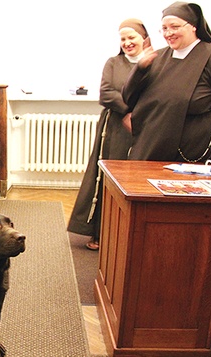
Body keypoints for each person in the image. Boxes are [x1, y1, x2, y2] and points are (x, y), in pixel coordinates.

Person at [122, 2, 211, 162]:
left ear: (193, 26)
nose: (168, 33)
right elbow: (128, 98)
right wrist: (140, 69)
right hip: (154, 148)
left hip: (195, 154)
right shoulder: (157, 58)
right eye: (164, 28)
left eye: (174, 26)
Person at [67, 19, 149, 251]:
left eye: (131, 37)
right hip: (115, 127)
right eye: (123, 39)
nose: (127, 43)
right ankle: (100, 232)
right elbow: (106, 94)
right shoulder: (114, 63)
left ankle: (131, 235)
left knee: (138, 180)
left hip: (148, 126)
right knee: (109, 179)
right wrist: (127, 111)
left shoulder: (157, 63)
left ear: (144, 38)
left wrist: (139, 113)